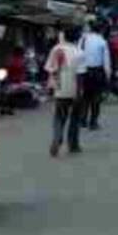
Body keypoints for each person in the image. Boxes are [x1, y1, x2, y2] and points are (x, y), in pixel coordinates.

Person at [44, 26, 84, 157]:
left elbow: (49, 69)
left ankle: (57, 136)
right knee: (75, 117)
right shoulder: (79, 52)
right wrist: (79, 92)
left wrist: (50, 87)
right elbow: (80, 75)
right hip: (73, 87)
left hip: (59, 87)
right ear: (77, 38)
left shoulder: (55, 49)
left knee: (59, 117)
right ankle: (73, 145)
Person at [77, 21, 111, 131]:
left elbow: (77, 54)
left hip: (84, 70)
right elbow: (106, 61)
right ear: (100, 30)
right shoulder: (102, 41)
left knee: (85, 97)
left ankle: (82, 121)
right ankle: (93, 122)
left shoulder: (83, 39)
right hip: (97, 71)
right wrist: (107, 75)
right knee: (96, 98)